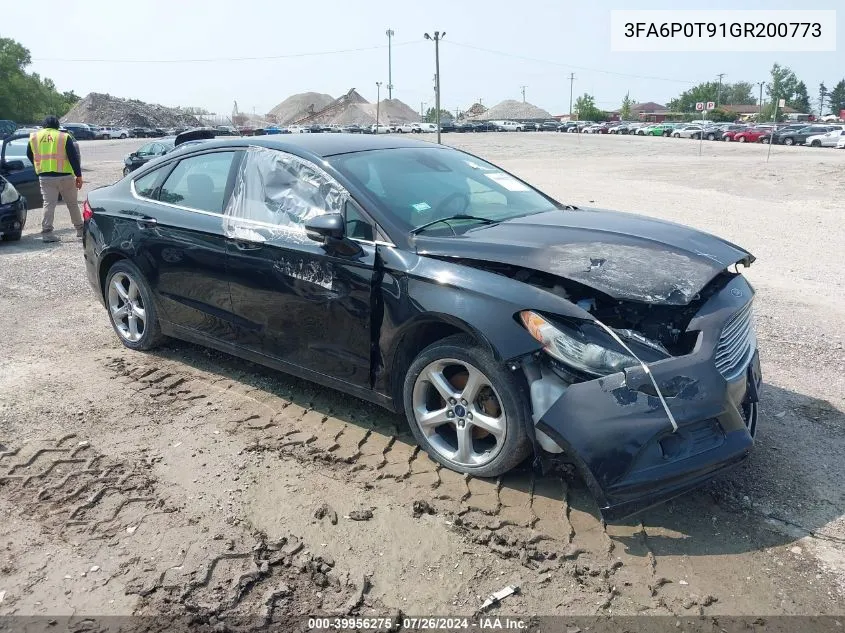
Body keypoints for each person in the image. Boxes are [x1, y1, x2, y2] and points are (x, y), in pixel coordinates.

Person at [26, 116, 83, 242]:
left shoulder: (34, 137)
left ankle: (47, 234)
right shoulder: (63, 136)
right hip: (66, 176)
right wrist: (78, 175)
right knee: (72, 204)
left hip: (45, 177)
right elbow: (73, 157)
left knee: (48, 204)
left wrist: (39, 166)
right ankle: (80, 230)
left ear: (43, 125)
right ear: (57, 125)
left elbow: (29, 155)